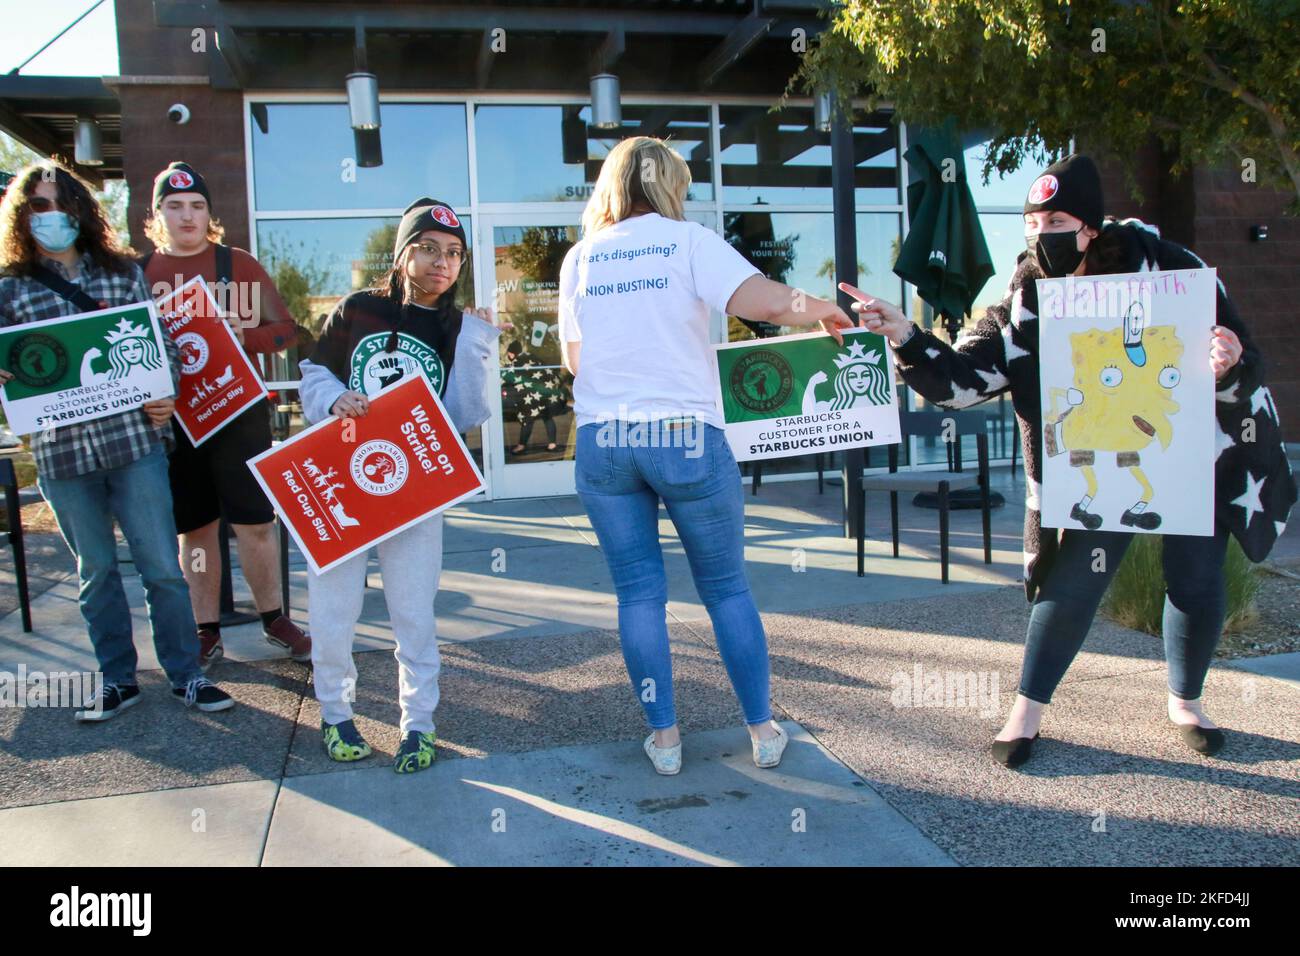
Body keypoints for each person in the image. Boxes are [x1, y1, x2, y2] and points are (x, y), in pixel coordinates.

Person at [843, 153, 1296, 767]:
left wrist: (1229, 359)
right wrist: (905, 336)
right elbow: (967, 379)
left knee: (1195, 577)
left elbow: (1246, 358)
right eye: (1033, 221)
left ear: (1091, 226)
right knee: (1073, 579)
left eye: (1055, 219)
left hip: (1193, 451)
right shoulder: (1027, 297)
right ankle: (1026, 711)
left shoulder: (1175, 270)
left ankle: (1186, 701)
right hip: (1097, 461)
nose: (1040, 233)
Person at [558, 137, 854, 775]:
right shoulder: (685, 242)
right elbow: (769, 302)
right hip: (683, 434)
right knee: (724, 589)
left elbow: (574, 361)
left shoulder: (580, 258)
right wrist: (824, 308)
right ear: (669, 187)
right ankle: (762, 730)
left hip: (605, 441)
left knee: (638, 595)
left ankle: (665, 741)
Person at [0, 161, 234, 720]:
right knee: (96, 572)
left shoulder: (123, 275)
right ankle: (117, 680)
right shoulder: (9, 290)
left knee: (160, 568)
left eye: (62, 203)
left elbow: (165, 347)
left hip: (135, 446)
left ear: (82, 209)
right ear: (22, 216)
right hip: (62, 455)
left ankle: (186, 676)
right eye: (39, 206)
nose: (53, 215)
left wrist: (166, 390)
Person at [297, 197, 503, 773]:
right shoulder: (359, 309)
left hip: (414, 491)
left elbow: (464, 414)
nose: (442, 262)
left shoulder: (460, 326)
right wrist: (332, 400)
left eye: (454, 254)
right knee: (333, 608)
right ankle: (335, 713)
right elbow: (314, 373)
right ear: (403, 252)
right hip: (340, 479)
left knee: (413, 612)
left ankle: (419, 724)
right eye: (429, 249)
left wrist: (481, 344)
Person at [141, 161, 309, 670]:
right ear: (157, 215)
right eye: (175, 206)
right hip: (176, 421)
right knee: (195, 529)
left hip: (239, 412)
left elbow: (287, 331)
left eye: (197, 207)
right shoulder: (138, 275)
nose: (187, 216)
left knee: (255, 522)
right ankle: (205, 627)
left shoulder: (237, 265)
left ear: (210, 214)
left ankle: (275, 619)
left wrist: (246, 334)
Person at [503, 339, 566, 454]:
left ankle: (521, 446)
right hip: (547, 392)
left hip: (533, 396)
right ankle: (552, 445)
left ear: (512, 352)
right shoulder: (532, 358)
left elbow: (508, 376)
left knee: (528, 419)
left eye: (509, 353)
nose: (508, 355)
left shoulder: (517, 362)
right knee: (547, 417)